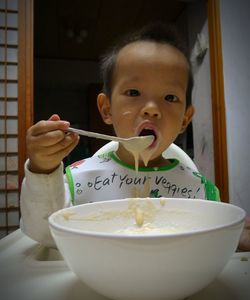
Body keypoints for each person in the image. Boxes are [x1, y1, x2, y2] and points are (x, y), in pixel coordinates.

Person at [20, 22, 248, 250]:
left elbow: (211, 246)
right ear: (107, 109)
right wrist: (43, 170)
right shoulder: (78, 181)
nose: (151, 108)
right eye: (133, 92)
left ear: (185, 120)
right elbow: (44, 234)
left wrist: (233, 238)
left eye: (169, 97)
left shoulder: (200, 192)